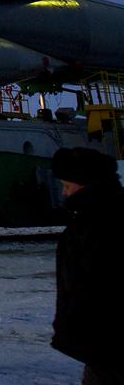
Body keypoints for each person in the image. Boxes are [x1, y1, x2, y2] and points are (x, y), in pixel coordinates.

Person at [51, 147, 124, 384]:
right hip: (100, 344)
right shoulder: (90, 219)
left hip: (108, 342)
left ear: (86, 184)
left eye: (67, 186)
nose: (63, 193)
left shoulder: (98, 224)